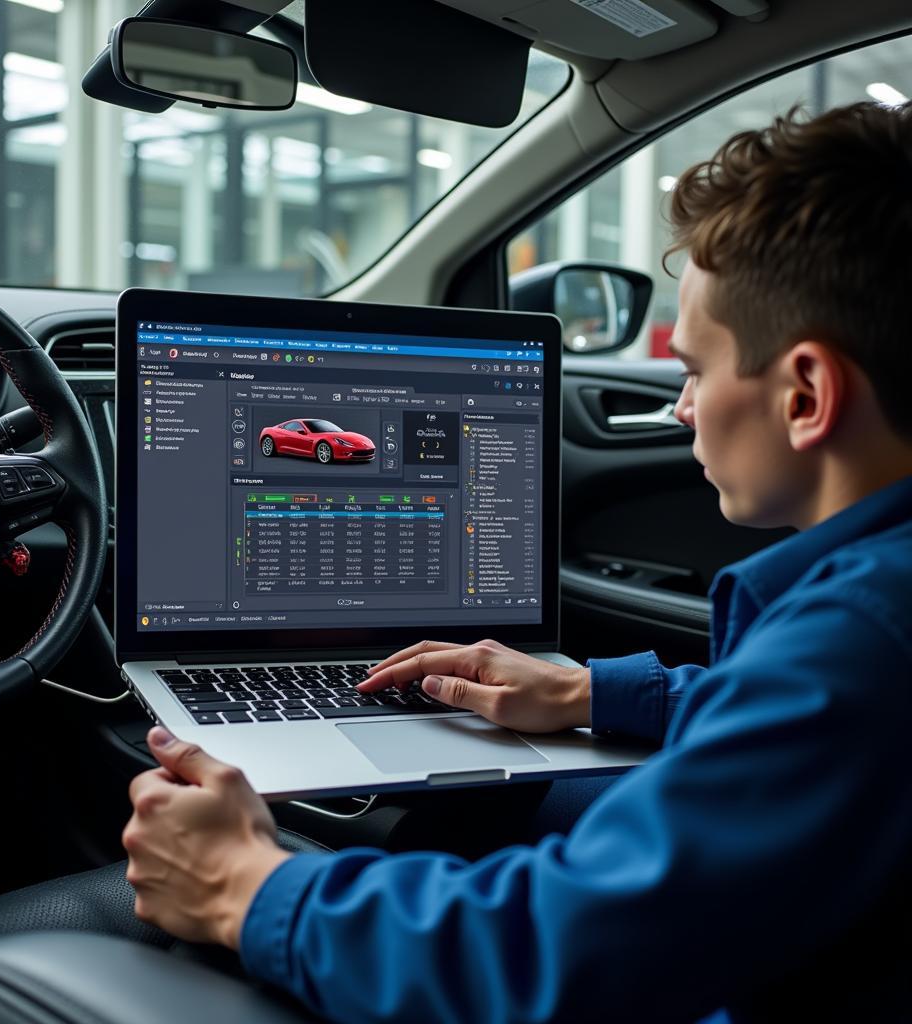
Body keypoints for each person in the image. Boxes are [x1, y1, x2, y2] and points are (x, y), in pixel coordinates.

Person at [121, 101, 912, 1023]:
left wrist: (245, 889)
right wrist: (587, 693)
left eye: (694, 369)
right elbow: (799, 733)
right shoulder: (867, 634)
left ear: (808, 394)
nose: (683, 408)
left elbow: (555, 952)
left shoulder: (862, 637)